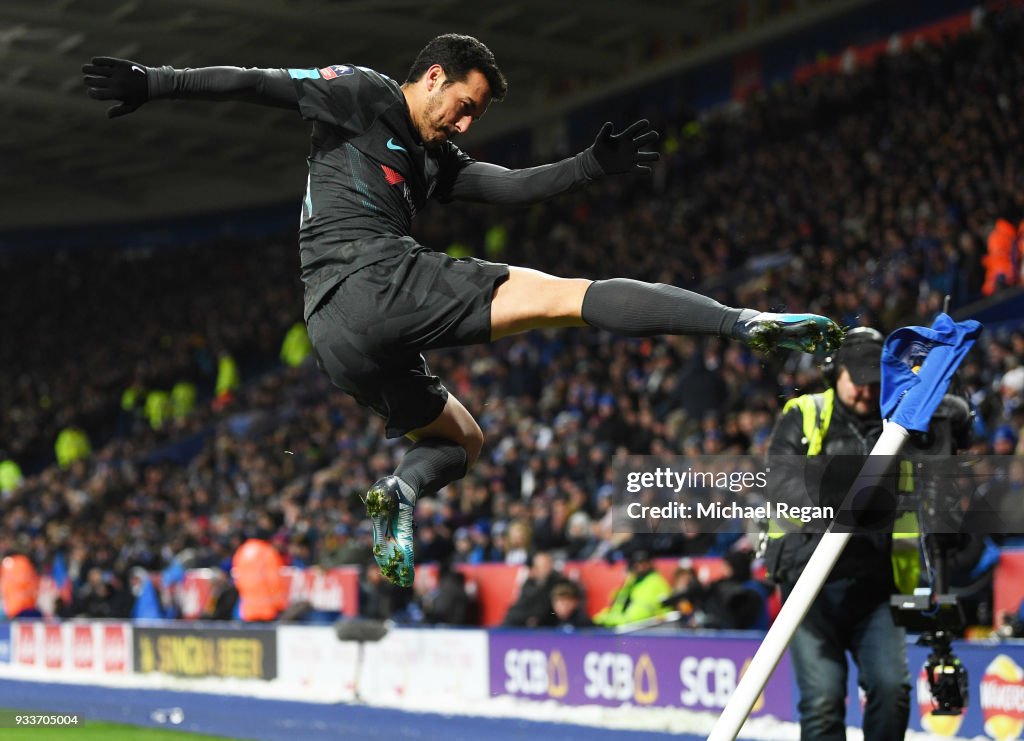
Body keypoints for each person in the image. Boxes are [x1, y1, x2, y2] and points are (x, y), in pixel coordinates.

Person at [83, 34, 842, 587]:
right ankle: (741, 322)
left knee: (461, 439)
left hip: (335, 336)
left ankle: (398, 496)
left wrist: (587, 166)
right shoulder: (364, 91)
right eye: (465, 105)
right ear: (435, 75)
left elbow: (505, 186)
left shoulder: (431, 158)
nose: (466, 122)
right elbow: (255, 83)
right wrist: (158, 81)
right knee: (570, 296)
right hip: (376, 278)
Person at [764, 327, 914, 740]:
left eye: (875, 381)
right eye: (859, 379)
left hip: (877, 585)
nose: (867, 390)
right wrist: (845, 499)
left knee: (891, 688)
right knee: (822, 703)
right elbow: (781, 484)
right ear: (836, 373)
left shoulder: (902, 424)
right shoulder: (804, 412)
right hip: (808, 585)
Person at [592, 549, 671, 628]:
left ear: (650, 564)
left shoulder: (654, 583)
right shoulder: (632, 583)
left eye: (643, 562)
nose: (639, 566)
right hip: (621, 628)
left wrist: (607, 622)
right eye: (635, 563)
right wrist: (598, 620)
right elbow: (615, 609)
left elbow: (635, 618)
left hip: (646, 632)